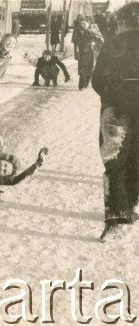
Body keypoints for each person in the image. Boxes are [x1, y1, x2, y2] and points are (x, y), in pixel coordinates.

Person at [92, 2, 139, 241]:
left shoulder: (114, 43)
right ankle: (131, 205)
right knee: (136, 158)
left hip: (116, 110)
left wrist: (113, 96)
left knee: (114, 161)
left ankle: (117, 217)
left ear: (123, 22)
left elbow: (98, 80)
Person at [75, 20, 103, 90]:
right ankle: (81, 85)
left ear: (87, 25)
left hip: (90, 51)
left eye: (85, 24)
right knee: (82, 68)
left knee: (90, 67)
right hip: (82, 52)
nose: (83, 25)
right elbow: (76, 42)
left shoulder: (90, 32)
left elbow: (100, 40)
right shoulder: (77, 32)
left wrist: (95, 46)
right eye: (82, 24)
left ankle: (87, 82)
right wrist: (77, 51)